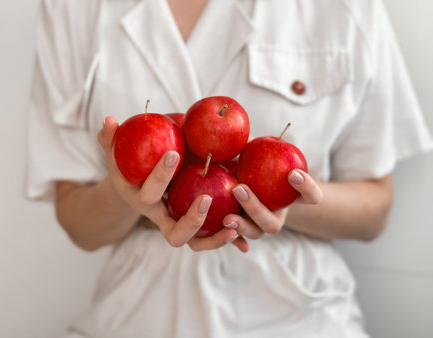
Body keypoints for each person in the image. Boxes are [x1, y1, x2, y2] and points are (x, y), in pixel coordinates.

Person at [26, 0, 432, 337]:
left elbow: (375, 210)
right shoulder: (72, 9)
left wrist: (281, 202)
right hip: (135, 317)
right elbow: (79, 224)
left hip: (300, 319)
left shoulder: (347, 9)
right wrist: (124, 192)